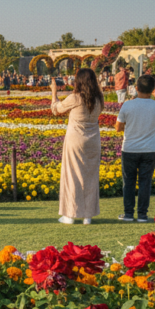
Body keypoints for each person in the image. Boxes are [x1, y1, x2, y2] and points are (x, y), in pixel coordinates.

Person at [51, 68, 104, 225]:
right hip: (93, 140)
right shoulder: (99, 98)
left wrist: (54, 93)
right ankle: (88, 215)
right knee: (90, 176)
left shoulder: (75, 97)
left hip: (76, 139)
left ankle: (70, 215)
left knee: (72, 175)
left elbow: (56, 110)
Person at [115, 75, 155, 222]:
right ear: (152, 89)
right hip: (149, 149)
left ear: (136, 88)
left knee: (129, 182)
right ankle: (142, 214)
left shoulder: (127, 105)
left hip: (130, 148)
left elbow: (118, 128)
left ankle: (128, 213)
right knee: (145, 182)